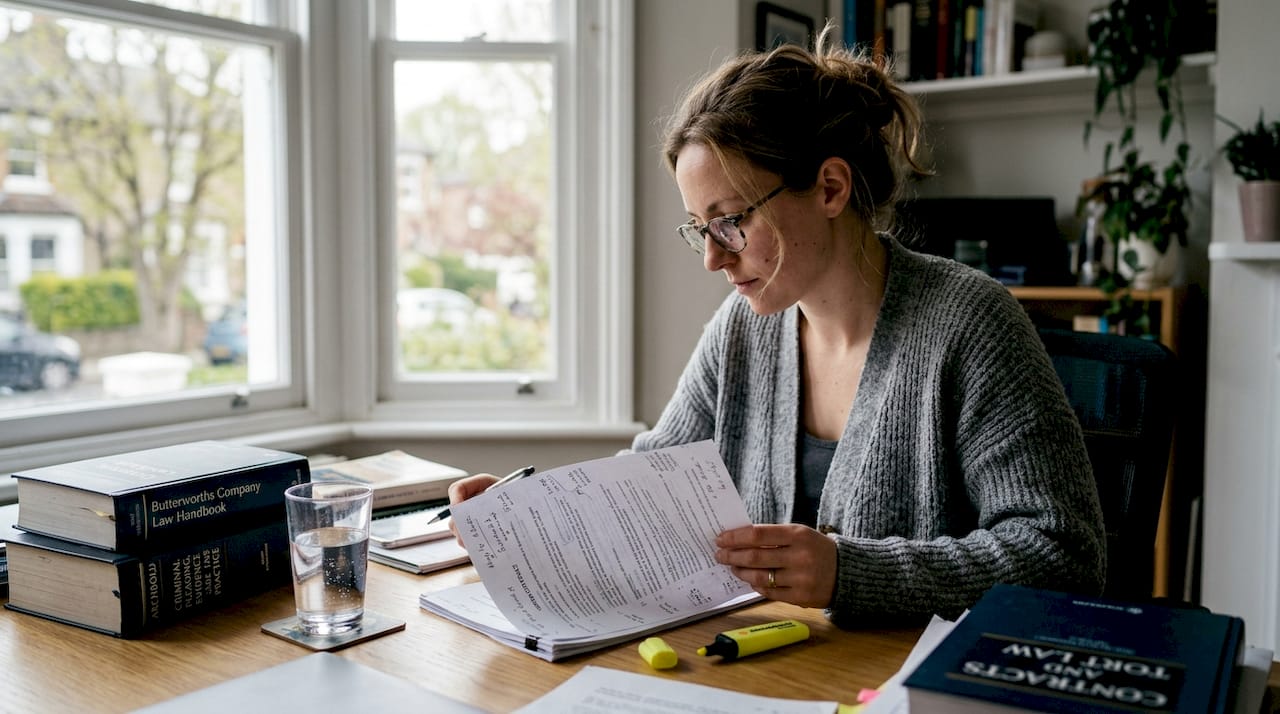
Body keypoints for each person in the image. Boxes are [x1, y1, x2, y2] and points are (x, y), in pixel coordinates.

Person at [449, 25, 1105, 626]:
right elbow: (648, 486)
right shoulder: (744, 329)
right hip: (774, 675)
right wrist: (527, 513)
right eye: (699, 229)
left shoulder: (970, 325)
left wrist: (850, 572)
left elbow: (1061, 555)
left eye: (731, 221)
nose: (712, 257)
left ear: (829, 189)